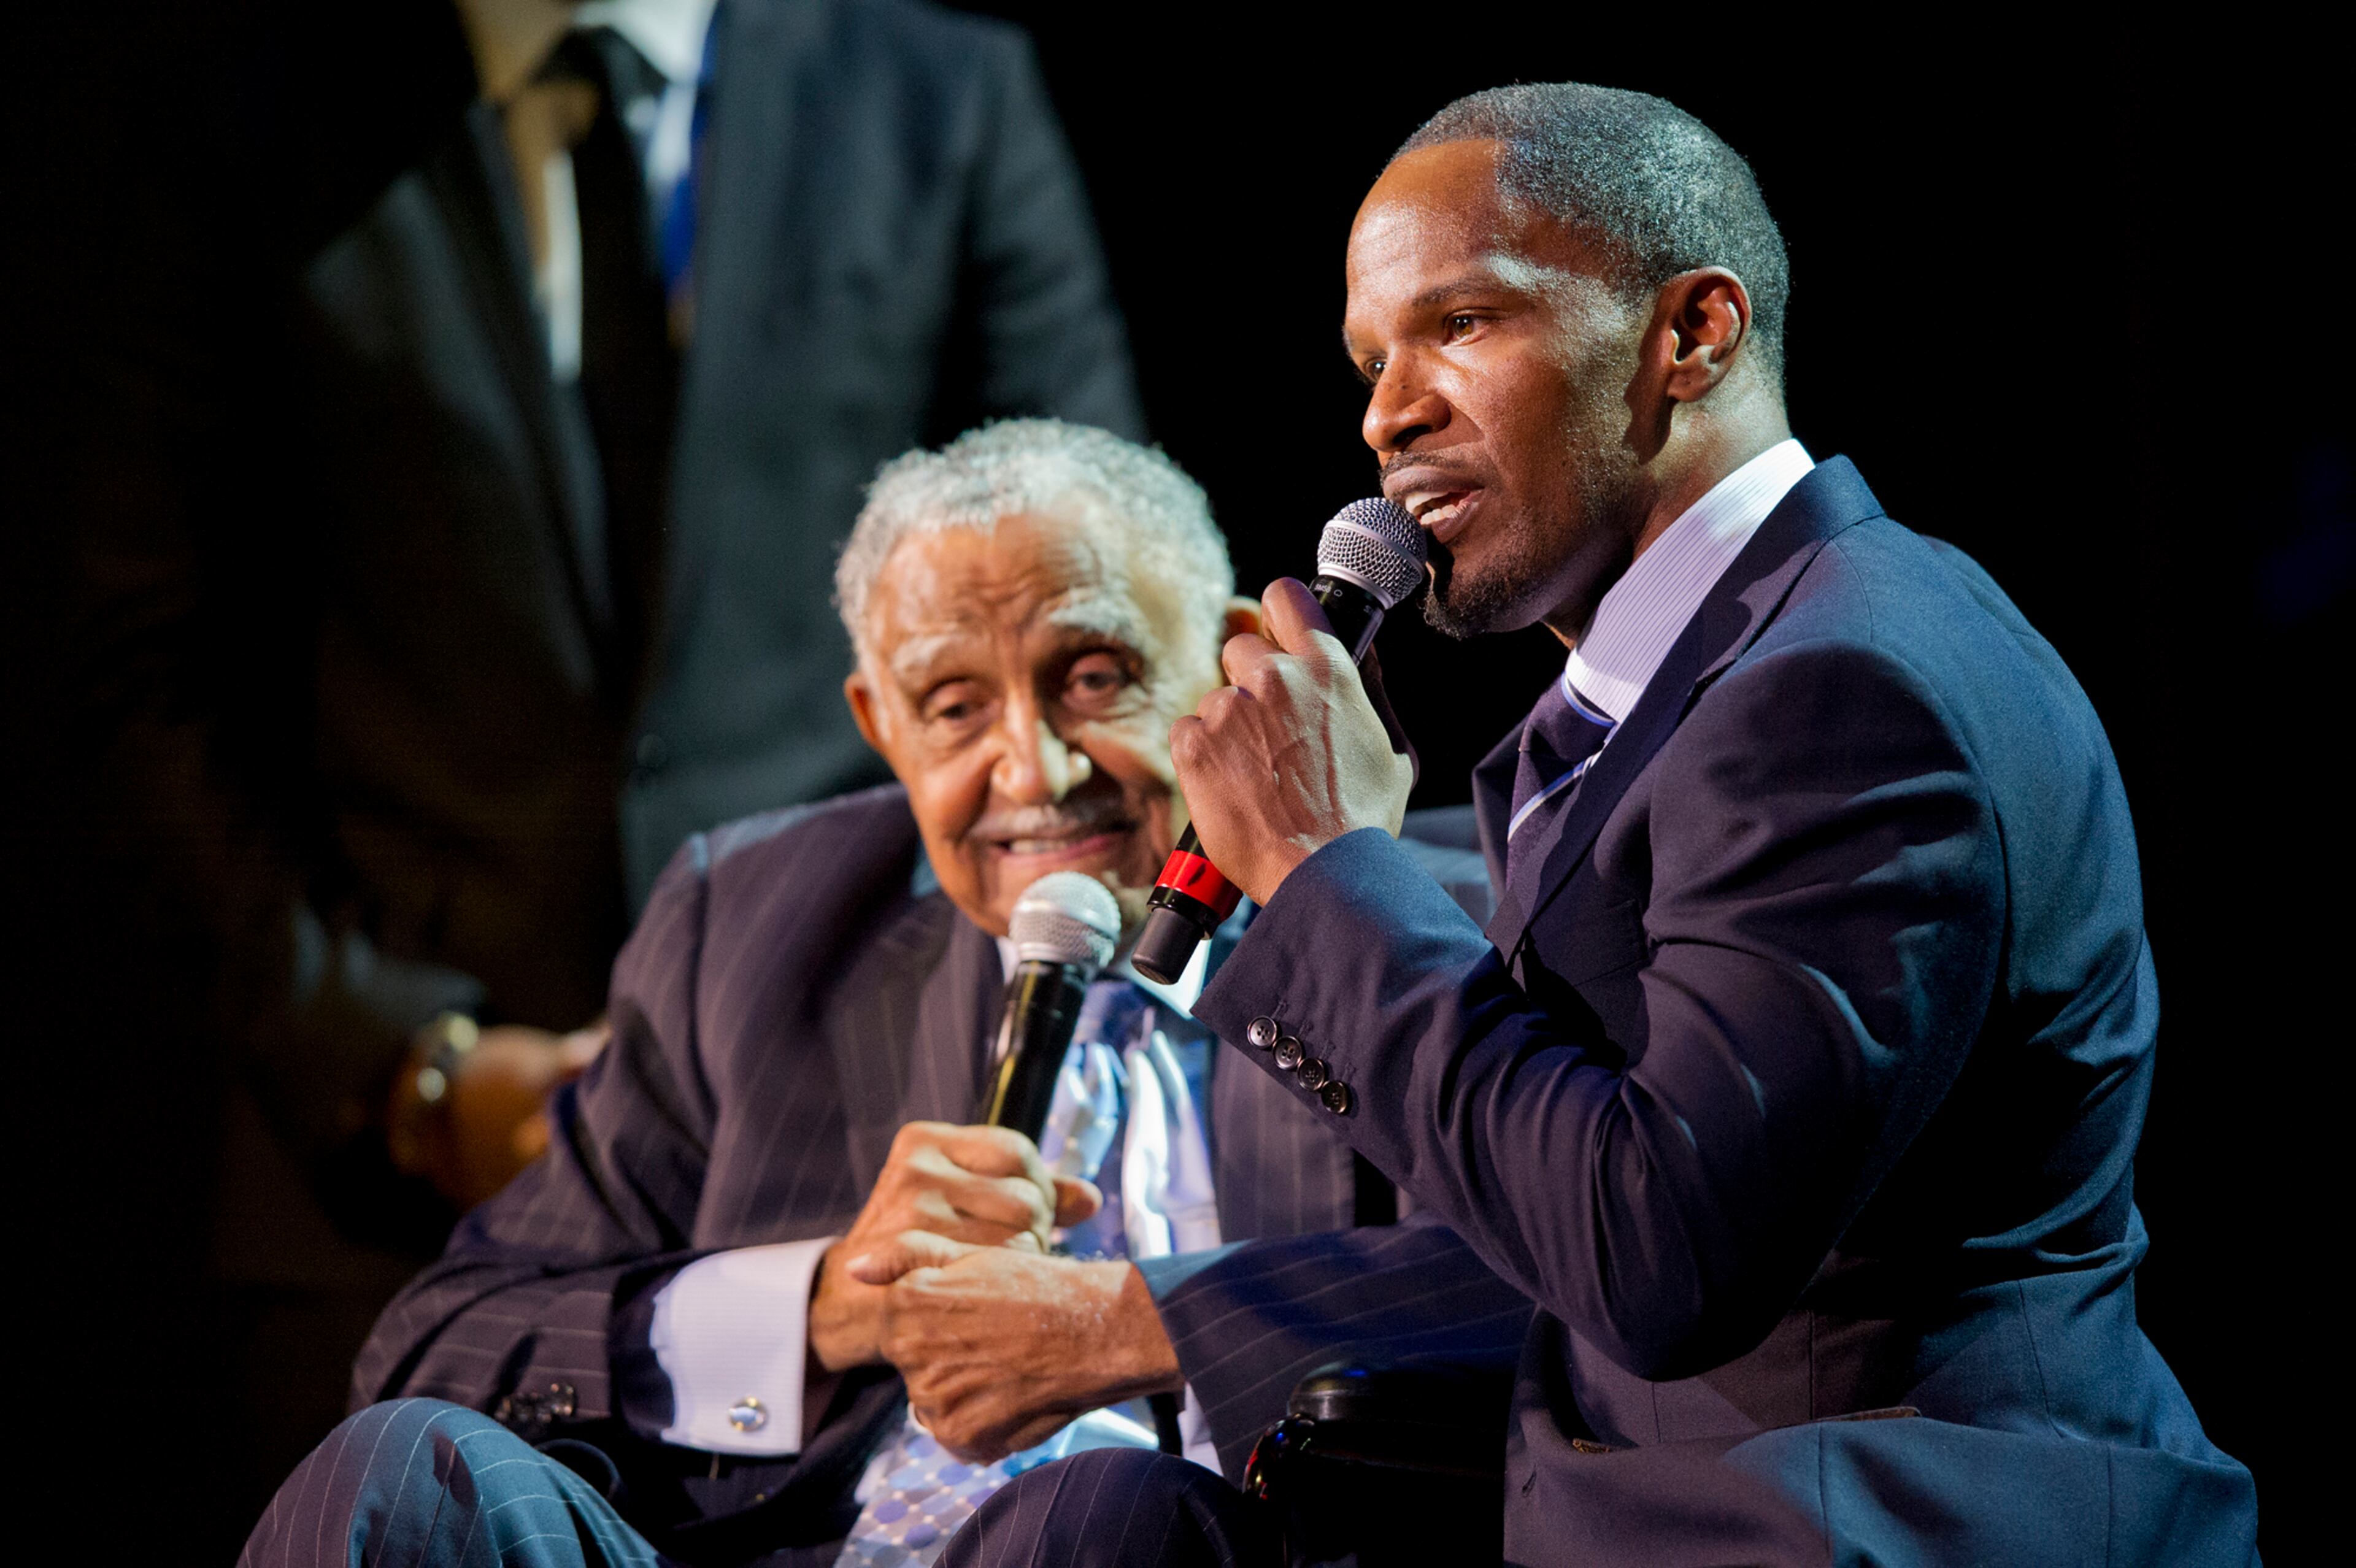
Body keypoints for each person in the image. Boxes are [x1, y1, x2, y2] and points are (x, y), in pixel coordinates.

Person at [943, 86, 2262, 1566]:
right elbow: (1547, 1198)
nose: (1389, 410)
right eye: (1373, 358)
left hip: (1859, 1525)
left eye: (1464, 325)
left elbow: (1658, 1252)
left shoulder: (1842, 690)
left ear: (1692, 335)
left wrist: (1329, 871)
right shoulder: (1664, 696)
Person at [42, 0, 1142, 1539]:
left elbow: (1095, 570)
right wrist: (406, 1063)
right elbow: (137, 657)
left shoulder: (935, 90)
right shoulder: (249, 111)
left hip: (844, 1111)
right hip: (385, 1171)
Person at [239, 421, 1532, 1568]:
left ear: (1230, 663)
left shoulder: (1428, 916)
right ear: (879, 725)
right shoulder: (753, 926)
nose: (1030, 768)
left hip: (1148, 1538)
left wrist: (1133, 1322)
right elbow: (439, 1341)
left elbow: (1584, 1283)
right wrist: (821, 1307)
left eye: (1092, 679)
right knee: (405, 1471)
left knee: (1096, 1514)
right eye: (954, 706)